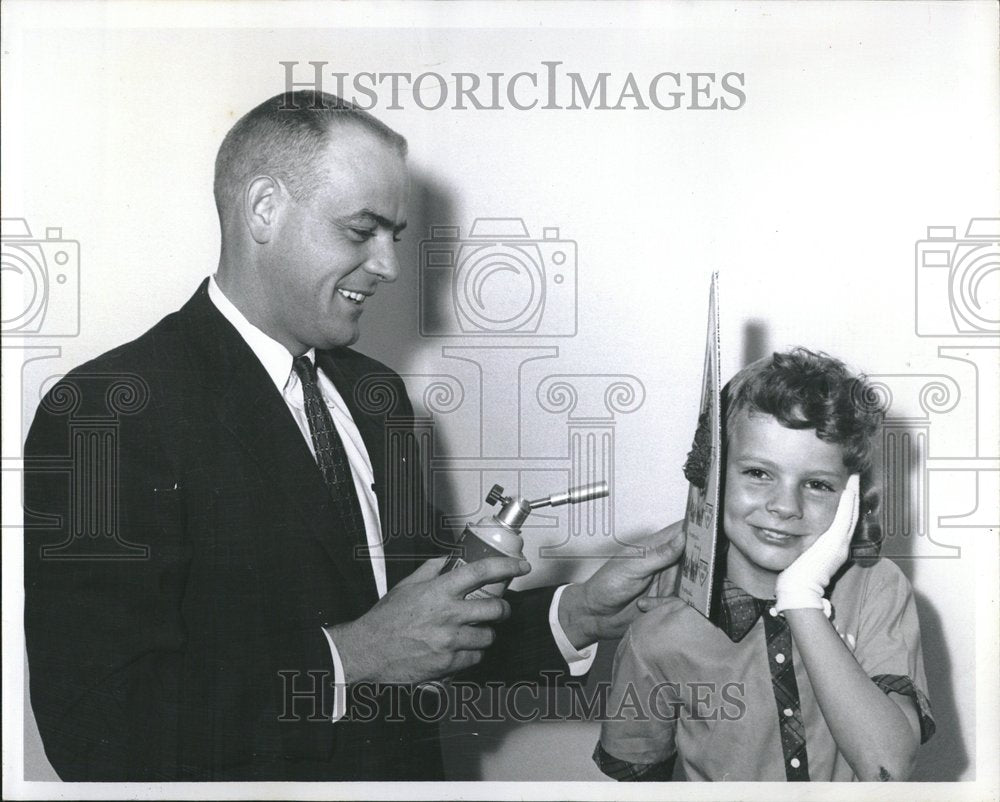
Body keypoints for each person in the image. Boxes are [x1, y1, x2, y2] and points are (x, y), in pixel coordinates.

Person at [22, 90, 683, 782]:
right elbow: (95, 726)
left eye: (393, 234)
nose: (390, 266)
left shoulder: (378, 399)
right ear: (264, 210)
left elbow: (424, 632)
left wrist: (577, 611)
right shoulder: (104, 413)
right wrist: (351, 657)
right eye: (359, 230)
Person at [594, 348, 935, 782]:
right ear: (712, 474)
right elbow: (638, 782)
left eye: (816, 484)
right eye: (758, 473)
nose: (784, 506)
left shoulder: (876, 588)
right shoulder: (660, 626)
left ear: (852, 497)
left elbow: (887, 768)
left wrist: (801, 597)